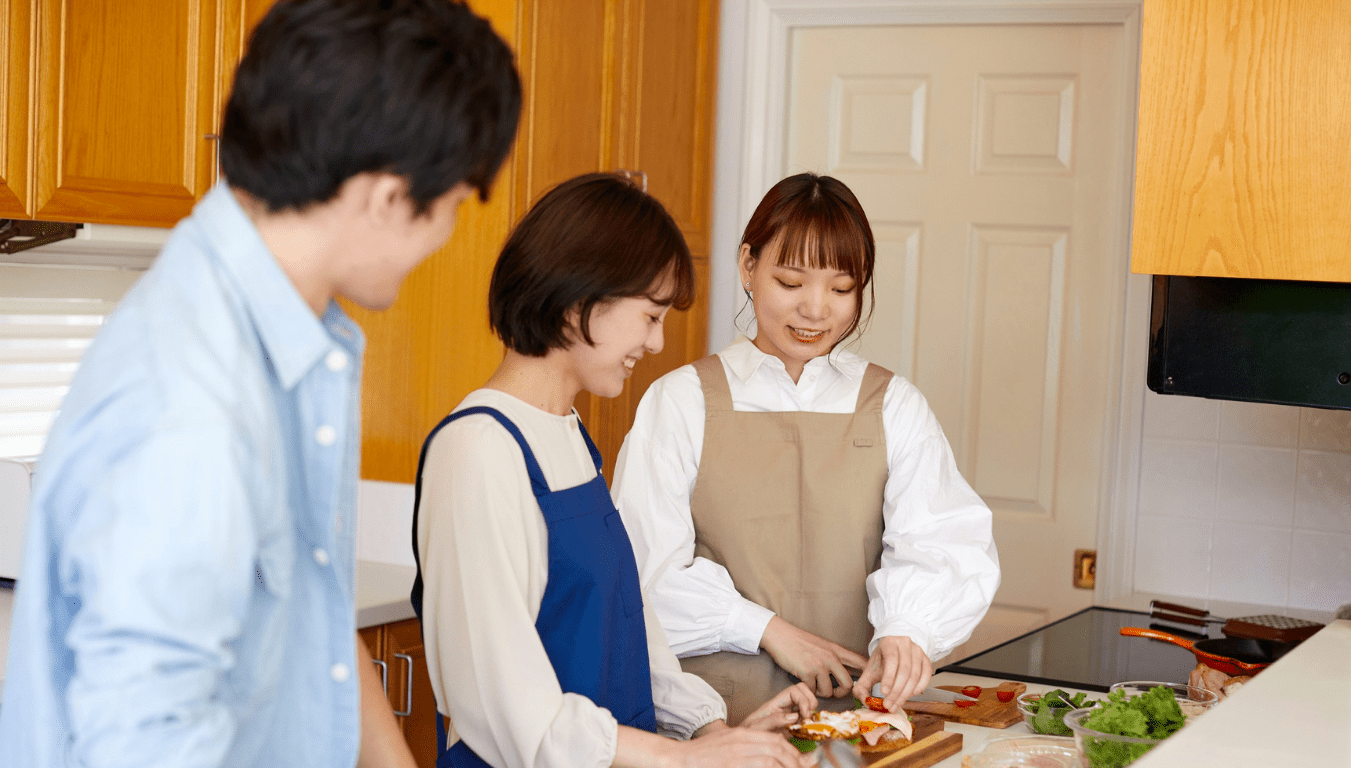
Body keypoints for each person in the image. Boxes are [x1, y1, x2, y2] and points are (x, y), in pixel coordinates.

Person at [0, 1, 521, 766]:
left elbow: (315, 622)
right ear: (387, 197)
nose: (445, 236)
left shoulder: (294, 348)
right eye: (450, 206)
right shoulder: (189, 396)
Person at [410, 173, 815, 768]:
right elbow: (505, 708)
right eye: (650, 316)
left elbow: (630, 627)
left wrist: (709, 731)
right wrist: (678, 760)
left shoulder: (569, 434)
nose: (657, 343)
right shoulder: (478, 451)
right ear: (581, 301)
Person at [612, 173, 1001, 723]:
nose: (816, 310)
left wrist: (907, 630)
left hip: (857, 725)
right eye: (791, 282)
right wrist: (770, 631)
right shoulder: (681, 402)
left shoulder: (893, 405)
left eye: (841, 289)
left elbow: (944, 542)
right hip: (715, 727)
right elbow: (642, 576)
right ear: (748, 266)